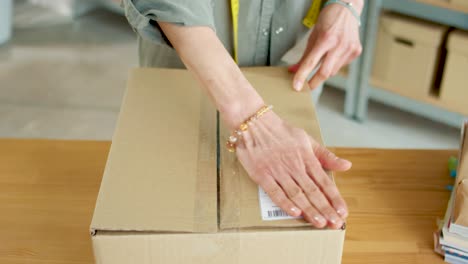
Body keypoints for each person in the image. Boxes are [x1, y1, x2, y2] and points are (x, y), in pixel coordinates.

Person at [122, 0, 363, 229]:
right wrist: (254, 122)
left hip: (292, 59)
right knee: (169, 200)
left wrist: (348, 6)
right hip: (187, 56)